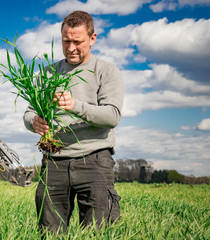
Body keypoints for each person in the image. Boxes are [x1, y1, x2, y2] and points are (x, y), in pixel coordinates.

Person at [23, 11, 124, 234]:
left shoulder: (106, 71)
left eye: (77, 41)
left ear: (92, 38)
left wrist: (75, 105)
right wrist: (34, 122)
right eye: (66, 41)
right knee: (49, 233)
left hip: (95, 162)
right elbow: (29, 113)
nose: (71, 48)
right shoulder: (49, 73)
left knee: (99, 233)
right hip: (54, 163)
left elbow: (112, 116)